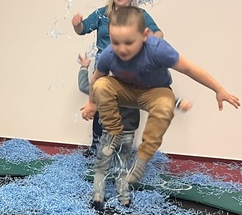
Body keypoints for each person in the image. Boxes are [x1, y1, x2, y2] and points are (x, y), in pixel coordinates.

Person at [90, 6, 240, 208]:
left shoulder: (157, 48)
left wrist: (218, 89)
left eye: (129, 43)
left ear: (145, 35)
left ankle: (143, 157)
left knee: (165, 104)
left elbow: (189, 68)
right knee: (101, 85)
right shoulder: (110, 53)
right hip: (125, 92)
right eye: (116, 42)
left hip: (153, 92)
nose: (122, 49)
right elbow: (96, 78)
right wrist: (91, 103)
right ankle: (114, 132)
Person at [78, 54, 193, 206]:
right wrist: (84, 66)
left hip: (121, 134)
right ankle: (108, 197)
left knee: (112, 165)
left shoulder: (130, 87)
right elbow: (86, 85)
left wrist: (178, 102)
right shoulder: (113, 86)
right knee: (110, 165)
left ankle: (113, 197)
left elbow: (158, 97)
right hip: (113, 134)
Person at [72, 0, 164, 156]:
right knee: (101, 104)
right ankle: (96, 147)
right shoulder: (102, 14)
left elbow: (157, 32)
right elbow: (83, 29)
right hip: (104, 67)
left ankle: (122, 150)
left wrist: (153, 40)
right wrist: (77, 25)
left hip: (128, 67)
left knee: (127, 107)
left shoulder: (139, 15)